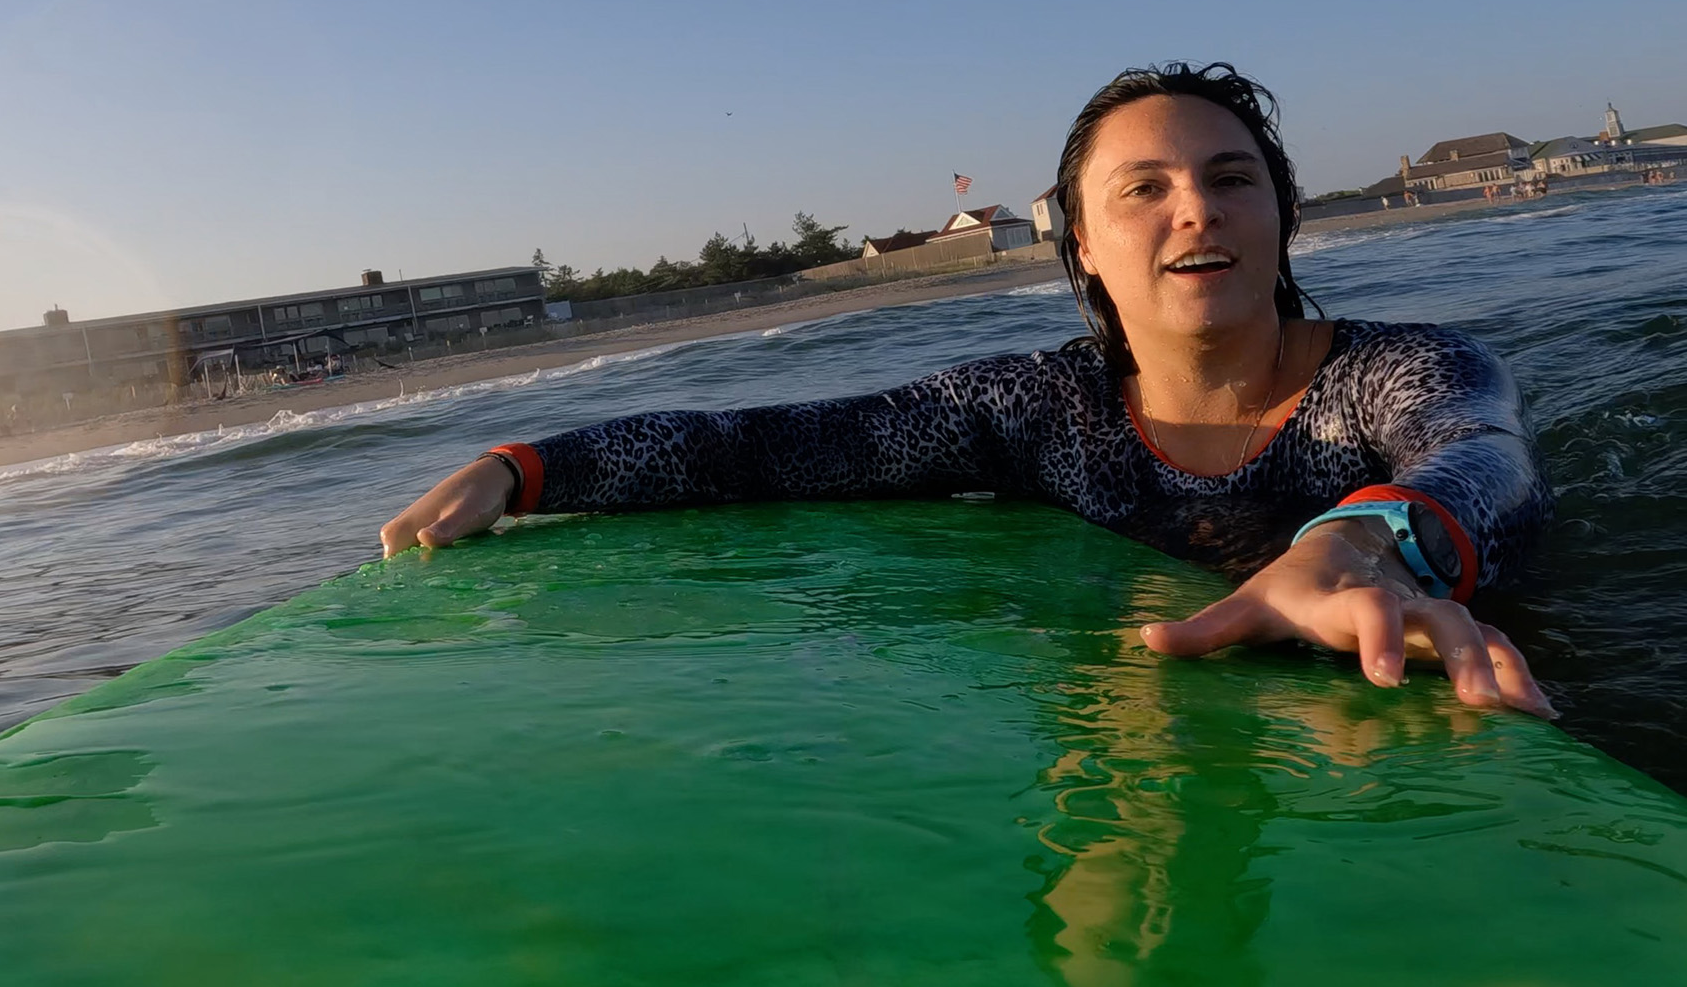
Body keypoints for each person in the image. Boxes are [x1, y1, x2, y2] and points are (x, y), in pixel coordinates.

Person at [381, 63, 1552, 714]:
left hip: (1446, 664)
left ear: (1281, 216)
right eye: (1143, 189)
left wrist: (1357, 545)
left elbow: (1484, 455)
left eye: (1230, 179)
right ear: (1084, 244)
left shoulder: (1403, 369)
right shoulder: (1038, 412)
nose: (1195, 209)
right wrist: (528, 467)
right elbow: (768, 446)